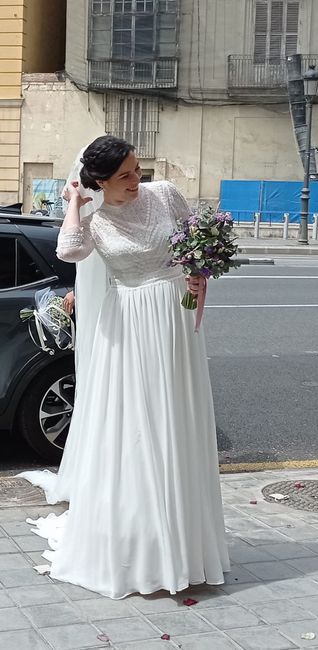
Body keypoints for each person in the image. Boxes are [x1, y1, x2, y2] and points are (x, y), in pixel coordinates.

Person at [19, 135, 230, 600]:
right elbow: (68, 252)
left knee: (177, 420)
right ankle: (142, 539)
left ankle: (184, 544)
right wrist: (75, 200)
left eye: (138, 170)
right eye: (125, 176)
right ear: (99, 182)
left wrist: (199, 273)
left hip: (173, 315)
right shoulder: (94, 222)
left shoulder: (166, 194)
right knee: (136, 424)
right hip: (130, 324)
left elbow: (195, 245)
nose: (137, 181)